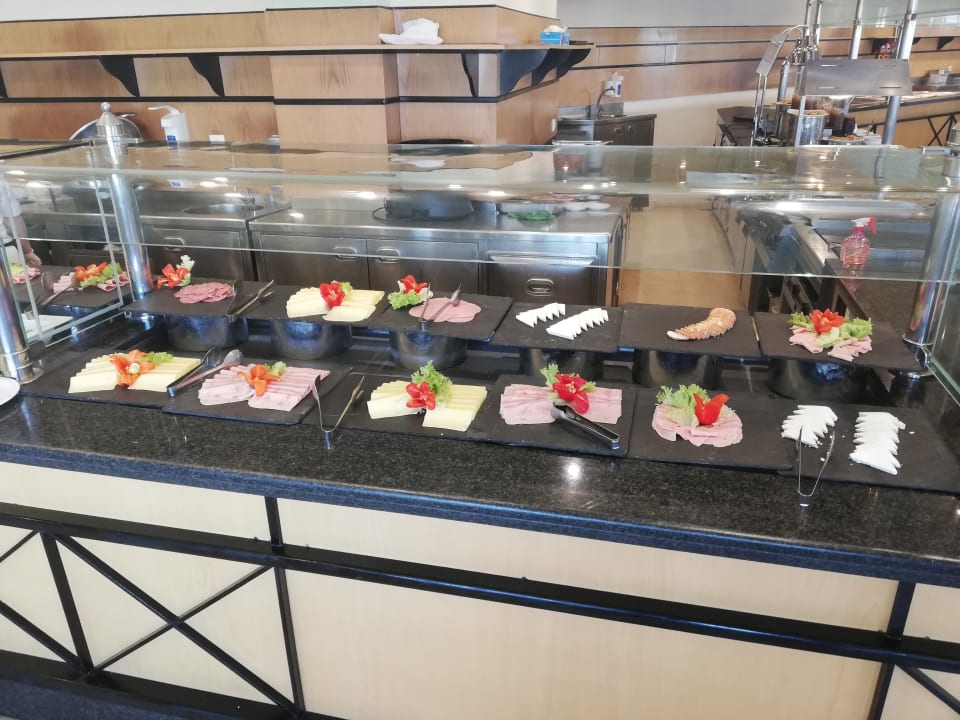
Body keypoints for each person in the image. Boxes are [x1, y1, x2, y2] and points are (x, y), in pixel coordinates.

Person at [0, 182, 41, 268]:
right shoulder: (1, 183)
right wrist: (27, 251)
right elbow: (12, 220)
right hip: (4, 250)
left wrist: (27, 251)